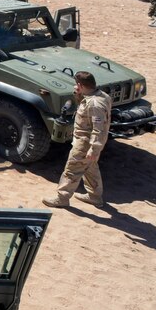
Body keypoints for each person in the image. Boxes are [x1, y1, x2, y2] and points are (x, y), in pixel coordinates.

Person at [43, 71, 111, 208]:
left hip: (85, 142)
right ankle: (95, 196)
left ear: (80, 84)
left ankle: (62, 198)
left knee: (72, 170)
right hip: (87, 141)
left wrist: (94, 148)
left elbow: (98, 129)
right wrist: (78, 95)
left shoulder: (95, 104)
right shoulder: (101, 96)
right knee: (90, 168)